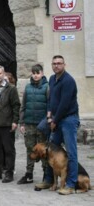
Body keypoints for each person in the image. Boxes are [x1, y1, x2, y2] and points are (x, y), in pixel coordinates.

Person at [35, 55, 80, 195]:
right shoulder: (52, 79)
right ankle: (49, 180)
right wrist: (49, 114)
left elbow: (64, 104)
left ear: (64, 65)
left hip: (68, 120)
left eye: (59, 63)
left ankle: (71, 185)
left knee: (71, 153)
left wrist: (54, 121)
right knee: (50, 150)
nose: (56, 66)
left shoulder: (68, 81)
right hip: (55, 119)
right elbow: (51, 99)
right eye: (54, 63)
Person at [17, 64, 49, 185]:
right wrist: (22, 122)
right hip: (29, 124)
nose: (35, 75)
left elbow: (49, 106)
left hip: (42, 125)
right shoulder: (28, 88)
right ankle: (29, 174)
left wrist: (47, 122)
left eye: (38, 73)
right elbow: (23, 106)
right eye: (33, 73)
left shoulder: (47, 87)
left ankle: (46, 175)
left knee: (42, 150)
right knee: (30, 149)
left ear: (42, 73)